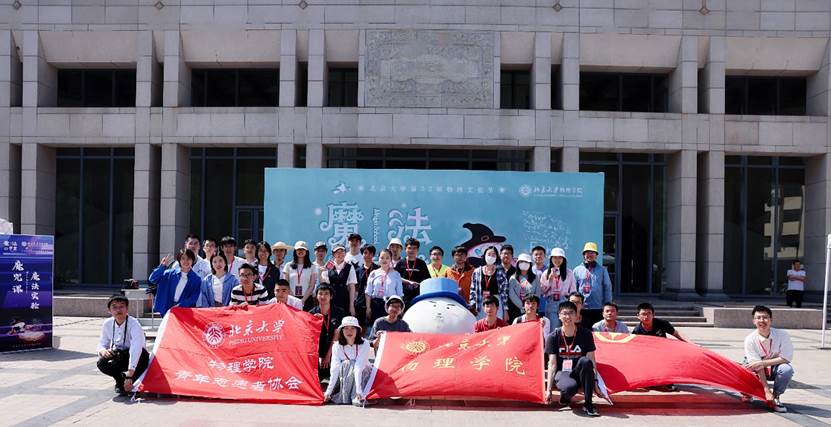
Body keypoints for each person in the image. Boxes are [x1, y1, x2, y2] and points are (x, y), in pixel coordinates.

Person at [545, 300, 600, 417]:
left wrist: (596, 382)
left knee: (586, 361)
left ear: (576, 316)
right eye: (564, 313)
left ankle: (588, 404)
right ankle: (565, 397)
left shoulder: (586, 334)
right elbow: (552, 364)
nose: (567, 317)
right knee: (569, 387)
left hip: (579, 371)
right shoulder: (553, 337)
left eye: (571, 313)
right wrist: (548, 389)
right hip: (562, 372)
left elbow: (592, 360)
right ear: (559, 316)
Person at [742, 305, 793, 413]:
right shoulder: (750, 339)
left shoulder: (782, 335)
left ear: (771, 320)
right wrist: (766, 390)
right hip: (757, 368)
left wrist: (762, 363)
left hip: (774, 366)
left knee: (786, 369)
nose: (762, 320)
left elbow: (786, 358)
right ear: (753, 321)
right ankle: (747, 392)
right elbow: (757, 365)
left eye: (765, 317)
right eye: (758, 318)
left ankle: (776, 396)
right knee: (744, 369)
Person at [96, 295, 149, 395]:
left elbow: (136, 348)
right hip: (119, 355)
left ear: (127, 309)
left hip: (138, 357)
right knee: (101, 363)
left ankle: (131, 379)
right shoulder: (107, 323)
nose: (118, 310)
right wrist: (103, 351)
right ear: (109, 310)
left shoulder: (134, 324)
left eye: (121, 306)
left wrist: (130, 374)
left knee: (141, 357)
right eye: (114, 307)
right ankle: (120, 380)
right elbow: (102, 343)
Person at [323, 316, 372, 406]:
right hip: (346, 375)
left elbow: (359, 366)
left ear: (357, 330)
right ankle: (344, 395)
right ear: (341, 331)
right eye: (346, 328)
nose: (349, 331)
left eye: (353, 328)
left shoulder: (365, 344)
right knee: (346, 363)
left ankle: (358, 395)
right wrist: (328, 391)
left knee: (351, 363)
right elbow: (335, 368)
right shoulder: (336, 346)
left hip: (363, 374)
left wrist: (358, 390)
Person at [149, 249, 202, 316]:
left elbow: (193, 298)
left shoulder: (196, 279)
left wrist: (180, 306)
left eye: (188, 258)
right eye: (183, 258)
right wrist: (162, 267)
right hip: (166, 309)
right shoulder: (168, 274)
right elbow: (152, 279)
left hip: (183, 311)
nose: (186, 261)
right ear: (179, 260)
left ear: (192, 260)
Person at [310, 284, 346, 381]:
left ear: (331, 296)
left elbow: (337, 335)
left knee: (335, 375)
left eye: (326, 294)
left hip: (334, 348)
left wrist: (328, 356)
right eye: (320, 294)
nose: (323, 296)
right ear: (316, 296)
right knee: (317, 377)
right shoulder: (311, 313)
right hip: (318, 350)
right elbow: (311, 338)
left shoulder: (339, 312)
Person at [572, 242, 613, 327]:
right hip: (582, 308)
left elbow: (607, 287)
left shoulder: (602, 270)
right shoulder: (577, 270)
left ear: (596, 255)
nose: (590, 255)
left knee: (597, 331)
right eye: (587, 253)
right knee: (582, 330)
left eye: (592, 253)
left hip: (597, 307)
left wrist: (607, 304)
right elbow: (573, 289)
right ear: (584, 255)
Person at [469, 246, 509, 322]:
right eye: (489, 254)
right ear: (484, 256)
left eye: (493, 255)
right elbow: (472, 290)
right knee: (481, 324)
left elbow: (504, 293)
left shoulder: (500, 272)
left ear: (496, 257)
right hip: (480, 303)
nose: (491, 256)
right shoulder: (477, 271)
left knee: (496, 325)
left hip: (496, 303)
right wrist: (472, 304)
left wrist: (506, 310)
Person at [365, 248, 403, 325]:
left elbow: (400, 294)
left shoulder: (396, 274)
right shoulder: (373, 273)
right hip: (376, 305)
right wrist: (368, 308)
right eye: (382, 258)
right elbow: (368, 292)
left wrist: (400, 309)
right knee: (377, 327)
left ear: (391, 259)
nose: (384, 260)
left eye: (387, 258)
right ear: (378, 259)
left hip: (391, 304)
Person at [541, 248, 576, 328]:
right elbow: (542, 290)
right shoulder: (546, 273)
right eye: (555, 257)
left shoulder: (569, 273)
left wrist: (572, 305)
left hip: (565, 301)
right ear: (551, 259)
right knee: (554, 327)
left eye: (560, 257)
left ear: (563, 259)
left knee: (566, 326)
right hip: (551, 301)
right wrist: (550, 279)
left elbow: (573, 290)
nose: (557, 260)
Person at [322, 244, 358, 317]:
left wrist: (351, 306)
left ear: (345, 253)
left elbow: (352, 287)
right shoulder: (328, 266)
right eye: (337, 252)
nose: (340, 254)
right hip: (331, 300)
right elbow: (324, 284)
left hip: (344, 300)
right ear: (333, 254)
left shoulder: (349, 267)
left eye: (342, 251)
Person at [284, 241, 319, 310]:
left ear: (306, 251)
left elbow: (312, 286)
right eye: (298, 249)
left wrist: (303, 300)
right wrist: (294, 299)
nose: (300, 251)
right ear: (295, 251)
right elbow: (286, 284)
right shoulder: (288, 265)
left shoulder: (312, 266)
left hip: (307, 299)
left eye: (303, 249)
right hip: (291, 298)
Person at [395, 238, 430, 306]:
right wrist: (408, 282)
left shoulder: (422, 263)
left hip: (418, 298)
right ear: (405, 249)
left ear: (418, 250)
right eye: (409, 248)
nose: (411, 250)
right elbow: (395, 278)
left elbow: (427, 280)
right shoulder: (400, 263)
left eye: (414, 248)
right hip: (403, 298)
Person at [507, 253, 541, 322]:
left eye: (526, 262)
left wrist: (530, 305)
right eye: (521, 262)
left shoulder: (535, 278)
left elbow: (537, 293)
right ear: (518, 264)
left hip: (532, 308)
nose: (524, 264)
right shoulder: (513, 278)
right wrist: (523, 306)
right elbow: (512, 294)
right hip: (517, 310)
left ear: (530, 264)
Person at [354, 244, 378, 329]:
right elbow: (355, 288)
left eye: (370, 253)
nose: (368, 255)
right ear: (362, 254)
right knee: (361, 329)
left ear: (373, 255)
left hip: (375, 303)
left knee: (374, 328)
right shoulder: (357, 271)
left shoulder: (378, 269)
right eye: (365, 253)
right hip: (360, 303)